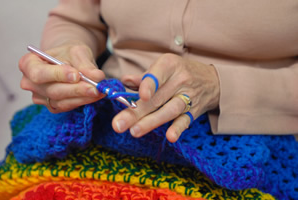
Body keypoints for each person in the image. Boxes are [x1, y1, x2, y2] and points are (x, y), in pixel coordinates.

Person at [19, 0, 298, 143]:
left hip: (257, 138)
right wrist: (65, 50)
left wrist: (220, 86)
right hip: (95, 123)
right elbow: (76, 18)